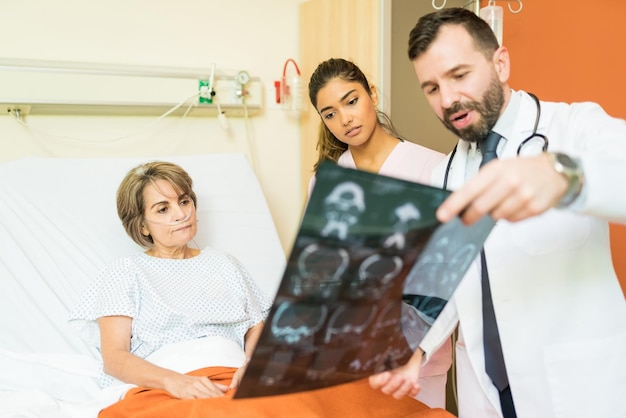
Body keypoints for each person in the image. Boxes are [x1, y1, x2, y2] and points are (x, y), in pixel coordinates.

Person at [369, 7, 626, 418]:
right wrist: (413, 345)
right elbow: (444, 276)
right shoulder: (444, 172)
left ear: (500, 63)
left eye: (459, 75)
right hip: (486, 391)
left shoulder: (573, 127)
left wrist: (566, 176)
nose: (448, 99)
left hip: (575, 388)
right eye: (431, 87)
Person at [68, 161, 454, 418]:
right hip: (169, 387)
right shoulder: (127, 272)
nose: (181, 213)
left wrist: (254, 365)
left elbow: (258, 328)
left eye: (184, 201)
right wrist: (176, 381)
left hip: (237, 376)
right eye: (163, 209)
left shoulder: (223, 263)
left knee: (345, 394)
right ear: (142, 225)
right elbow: (114, 359)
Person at [307, 57, 453, 410]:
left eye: (351, 101)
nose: (344, 119)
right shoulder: (326, 182)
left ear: (372, 93)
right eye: (329, 113)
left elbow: (450, 274)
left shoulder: (433, 169)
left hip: (417, 358)